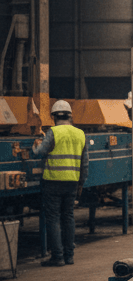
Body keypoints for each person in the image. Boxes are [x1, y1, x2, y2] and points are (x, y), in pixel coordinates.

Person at [32, 100, 89, 267]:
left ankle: (57, 257)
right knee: (68, 217)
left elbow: (41, 153)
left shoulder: (53, 132)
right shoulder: (80, 134)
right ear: (70, 116)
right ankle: (69, 256)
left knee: (53, 218)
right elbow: (85, 164)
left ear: (53, 116)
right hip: (72, 182)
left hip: (53, 182)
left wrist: (36, 146)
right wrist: (81, 184)